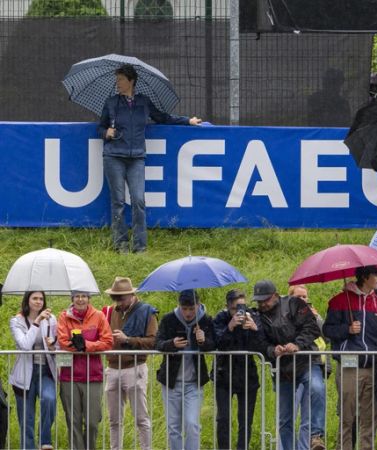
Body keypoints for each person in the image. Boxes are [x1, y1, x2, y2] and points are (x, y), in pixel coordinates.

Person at [97, 63, 202, 253]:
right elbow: (100, 127)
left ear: (131, 81)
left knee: (138, 201)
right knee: (118, 201)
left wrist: (188, 121)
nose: (117, 83)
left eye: (121, 79)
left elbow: (163, 118)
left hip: (137, 157)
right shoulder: (111, 102)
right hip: (113, 157)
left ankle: (140, 247)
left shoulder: (143, 102)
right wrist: (106, 132)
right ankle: (121, 245)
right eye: (117, 79)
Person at [324, 267, 377, 450]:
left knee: (370, 418)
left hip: (372, 366)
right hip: (349, 364)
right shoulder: (339, 301)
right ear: (364, 277)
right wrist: (347, 329)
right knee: (347, 417)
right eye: (376, 276)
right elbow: (327, 330)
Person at [255, 280, 326, 450]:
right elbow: (258, 343)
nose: (262, 304)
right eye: (259, 300)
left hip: (306, 361)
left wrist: (298, 344)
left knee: (317, 388)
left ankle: (316, 436)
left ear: (276, 296)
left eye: (265, 299)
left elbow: (312, 328)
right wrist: (273, 350)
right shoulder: (258, 316)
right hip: (283, 369)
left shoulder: (295, 304)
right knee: (285, 418)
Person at [155, 289, 216, 450]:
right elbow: (158, 343)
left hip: (194, 383)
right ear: (179, 306)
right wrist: (171, 344)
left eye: (191, 308)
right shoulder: (169, 319)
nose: (188, 313)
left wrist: (203, 341)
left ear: (198, 305)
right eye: (185, 308)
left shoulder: (205, 320)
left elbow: (213, 344)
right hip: (171, 382)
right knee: (173, 426)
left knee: (192, 424)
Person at [102, 277, 158, 450]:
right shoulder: (110, 312)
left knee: (141, 418)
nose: (118, 301)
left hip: (135, 368)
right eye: (115, 297)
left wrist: (128, 339)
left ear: (132, 294)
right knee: (114, 420)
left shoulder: (147, 312)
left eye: (121, 297)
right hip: (112, 368)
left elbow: (154, 341)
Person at [57, 291, 114, 450]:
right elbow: (63, 342)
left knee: (92, 421)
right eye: (77, 296)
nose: (80, 299)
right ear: (72, 299)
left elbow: (108, 341)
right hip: (69, 376)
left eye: (84, 296)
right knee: (73, 421)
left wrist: (86, 345)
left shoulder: (98, 316)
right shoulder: (64, 317)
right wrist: (80, 345)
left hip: (93, 375)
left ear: (89, 299)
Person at [212, 289, 264, 450]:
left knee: (246, 419)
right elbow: (217, 343)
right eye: (235, 308)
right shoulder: (221, 318)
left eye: (242, 306)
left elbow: (262, 345)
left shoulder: (253, 317)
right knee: (223, 418)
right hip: (224, 374)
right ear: (228, 307)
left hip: (248, 375)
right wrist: (230, 327)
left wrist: (255, 329)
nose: (240, 311)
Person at [10, 291, 57, 450]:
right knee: (26, 419)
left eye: (41, 299)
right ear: (27, 300)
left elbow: (57, 346)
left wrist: (52, 346)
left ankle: (45, 441)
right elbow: (24, 345)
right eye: (35, 298)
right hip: (24, 374)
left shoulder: (51, 319)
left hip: (45, 371)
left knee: (49, 399)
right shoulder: (17, 321)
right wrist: (37, 321)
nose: (38, 301)